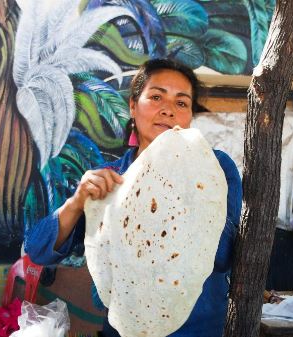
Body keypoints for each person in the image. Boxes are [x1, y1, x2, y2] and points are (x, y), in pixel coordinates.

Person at [25, 58, 242, 337]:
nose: (168, 110)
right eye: (155, 97)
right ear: (132, 106)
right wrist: (78, 202)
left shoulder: (216, 169)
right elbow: (37, 250)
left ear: (190, 116)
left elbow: (223, 256)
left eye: (181, 103)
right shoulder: (110, 179)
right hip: (123, 329)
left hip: (197, 329)